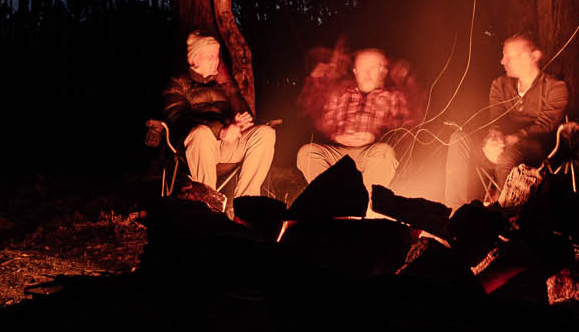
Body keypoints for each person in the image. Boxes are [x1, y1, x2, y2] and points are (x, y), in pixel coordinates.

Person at [445, 32, 569, 205]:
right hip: (502, 144)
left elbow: (546, 125)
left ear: (529, 57)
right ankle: (455, 211)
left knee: (506, 156)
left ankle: (507, 216)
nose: (503, 62)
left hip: (536, 149)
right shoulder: (500, 85)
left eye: (508, 56)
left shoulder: (554, 87)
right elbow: (496, 119)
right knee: (458, 139)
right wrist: (492, 138)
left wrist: (513, 138)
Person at [162, 32, 274, 209]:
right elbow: (176, 120)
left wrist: (236, 112)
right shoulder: (178, 82)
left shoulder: (221, 85)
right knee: (201, 134)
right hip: (193, 148)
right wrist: (220, 131)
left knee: (265, 134)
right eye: (210, 56)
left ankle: (246, 205)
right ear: (194, 60)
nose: (216, 60)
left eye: (217, 55)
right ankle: (208, 207)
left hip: (223, 146)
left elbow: (246, 118)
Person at [296, 46, 412, 192]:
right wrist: (336, 136)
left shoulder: (393, 97)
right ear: (355, 72)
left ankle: (365, 204)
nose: (367, 74)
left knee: (384, 153)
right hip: (339, 153)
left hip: (371, 154)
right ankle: (329, 202)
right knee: (307, 152)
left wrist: (375, 136)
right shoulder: (341, 94)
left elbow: (404, 131)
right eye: (362, 69)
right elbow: (323, 122)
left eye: (373, 68)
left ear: (383, 72)